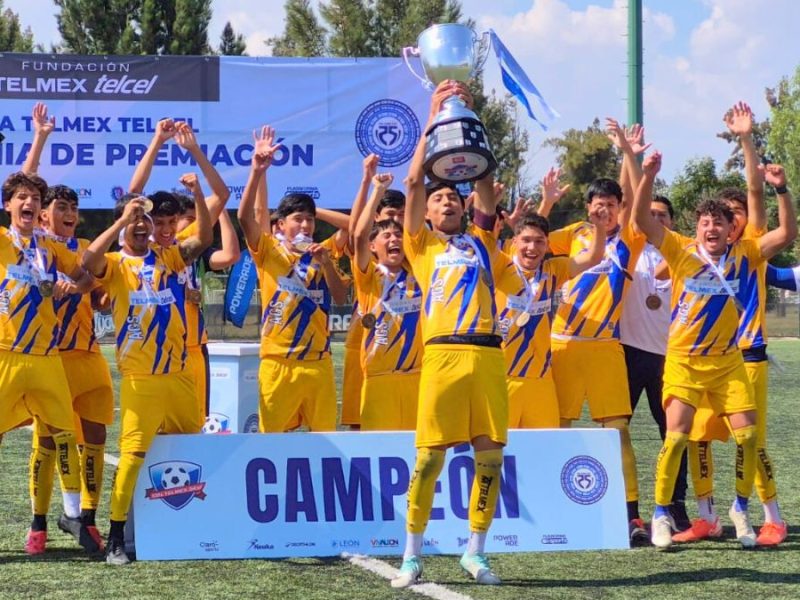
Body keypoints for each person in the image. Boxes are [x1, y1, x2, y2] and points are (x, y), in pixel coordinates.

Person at [633, 150, 795, 549]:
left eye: (719, 222)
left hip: (728, 363)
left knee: (749, 438)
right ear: (697, 227)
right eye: (705, 222)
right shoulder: (680, 250)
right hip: (685, 363)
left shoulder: (746, 254)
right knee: (677, 438)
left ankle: (740, 509)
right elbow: (639, 222)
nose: (712, 228)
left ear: (730, 230)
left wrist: (782, 190)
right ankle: (660, 515)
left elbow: (787, 235)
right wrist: (649, 176)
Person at [392, 80, 507, 588]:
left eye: (451, 200)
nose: (446, 204)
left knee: (491, 456)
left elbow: (483, 181)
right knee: (429, 460)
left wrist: (467, 123)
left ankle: (475, 551)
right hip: (442, 358)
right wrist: (436, 119)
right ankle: (411, 555)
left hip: (487, 357)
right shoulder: (421, 247)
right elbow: (414, 181)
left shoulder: (480, 241)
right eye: (439, 201)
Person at [678, 103, 796, 546]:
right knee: (696, 437)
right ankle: (707, 515)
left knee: (753, 442)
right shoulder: (699, 254)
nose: (731, 219)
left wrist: (747, 141)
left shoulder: (752, 248)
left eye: (736, 213)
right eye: (723, 214)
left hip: (747, 358)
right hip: (705, 358)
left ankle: (771, 516)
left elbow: (755, 192)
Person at [82, 177, 212, 564]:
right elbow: (88, 261)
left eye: (146, 221)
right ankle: (116, 537)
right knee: (132, 458)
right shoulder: (118, 264)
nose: (142, 226)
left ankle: (194, 526)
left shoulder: (169, 257)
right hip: (141, 382)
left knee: (193, 451)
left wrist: (199, 193)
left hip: (180, 377)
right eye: (134, 222)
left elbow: (203, 236)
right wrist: (122, 220)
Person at [538, 119, 649, 544]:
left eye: (610, 203)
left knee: (617, 430)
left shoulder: (632, 237)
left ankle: (630, 515)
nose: (603, 209)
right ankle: (555, 506)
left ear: (619, 207)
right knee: (559, 425)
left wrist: (628, 153)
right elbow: (531, 240)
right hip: (563, 346)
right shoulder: (575, 235)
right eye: (597, 204)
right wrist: (547, 202)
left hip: (605, 348)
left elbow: (639, 196)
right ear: (587, 208)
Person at [16, 102, 114, 553]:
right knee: (50, 443)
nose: (69, 212)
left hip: (83, 356)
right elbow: (22, 190)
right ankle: (38, 524)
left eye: (74, 207)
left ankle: (84, 518)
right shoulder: (32, 242)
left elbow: (97, 283)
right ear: (43, 215)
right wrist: (39, 139)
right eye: (61, 207)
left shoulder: (73, 252)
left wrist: (86, 288)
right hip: (38, 356)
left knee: (90, 437)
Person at [0, 170, 94, 554]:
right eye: (21, 197)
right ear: (8, 205)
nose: (29, 203)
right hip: (5, 353)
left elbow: (87, 277)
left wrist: (73, 285)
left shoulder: (50, 247)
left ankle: (72, 514)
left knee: (65, 434)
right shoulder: (3, 242)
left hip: (46, 357)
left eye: (35, 198)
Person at [237, 126, 347, 433]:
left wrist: (315, 212)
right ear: (279, 225)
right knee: (272, 443)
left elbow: (340, 296)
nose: (306, 224)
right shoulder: (269, 251)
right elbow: (246, 217)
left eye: (309, 219)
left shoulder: (322, 252)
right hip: (278, 362)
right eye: (298, 218)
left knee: (325, 442)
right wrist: (257, 172)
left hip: (319, 363)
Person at [129, 120, 238, 420]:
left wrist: (194, 151)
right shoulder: (140, 244)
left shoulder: (184, 244)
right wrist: (157, 141)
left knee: (193, 429)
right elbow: (133, 192)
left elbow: (222, 194)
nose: (165, 229)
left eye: (171, 221)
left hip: (191, 348)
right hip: (149, 351)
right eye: (159, 222)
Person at [495, 209, 606, 429]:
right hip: (501, 377)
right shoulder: (500, 267)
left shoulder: (554, 269)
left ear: (547, 245)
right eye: (526, 240)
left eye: (539, 242)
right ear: (514, 241)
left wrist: (599, 227)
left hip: (540, 381)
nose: (532, 248)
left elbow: (593, 257)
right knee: (499, 453)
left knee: (543, 452)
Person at [619, 194, 690, 531]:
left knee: (674, 433)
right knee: (618, 431)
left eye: (663, 214)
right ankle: (627, 509)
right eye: (650, 214)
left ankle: (675, 505)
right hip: (629, 352)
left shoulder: (685, 252)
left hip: (672, 356)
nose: (657, 219)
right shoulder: (630, 249)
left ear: (673, 221)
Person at [352, 172, 422, 430]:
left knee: (421, 452)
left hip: (417, 377)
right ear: (373, 246)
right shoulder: (368, 276)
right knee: (379, 452)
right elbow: (358, 235)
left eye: (398, 236)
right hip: (379, 380)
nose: (394, 239)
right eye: (386, 236)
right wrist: (377, 191)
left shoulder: (418, 271)